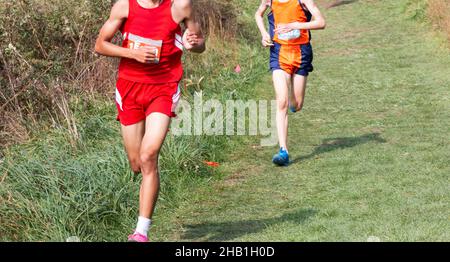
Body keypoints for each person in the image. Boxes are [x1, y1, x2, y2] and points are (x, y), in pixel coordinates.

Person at [95, 0, 205, 242]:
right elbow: (100, 45)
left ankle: (141, 232)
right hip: (129, 88)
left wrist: (194, 44)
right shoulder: (124, 6)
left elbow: (199, 44)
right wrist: (131, 53)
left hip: (163, 88)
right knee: (136, 162)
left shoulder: (180, 6)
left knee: (149, 155)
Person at [255, 0, 325, 166]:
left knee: (297, 103)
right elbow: (258, 14)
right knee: (282, 102)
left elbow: (321, 22)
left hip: (301, 53)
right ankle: (283, 150)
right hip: (279, 53)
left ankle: (294, 103)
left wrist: (295, 25)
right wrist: (264, 34)